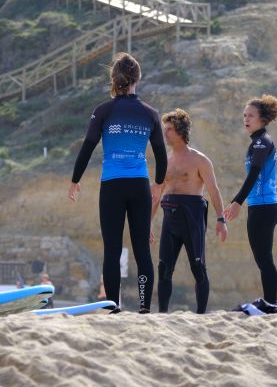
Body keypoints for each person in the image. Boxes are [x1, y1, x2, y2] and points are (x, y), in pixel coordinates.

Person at [68, 52, 167, 313]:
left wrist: (75, 180)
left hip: (112, 186)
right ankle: (145, 307)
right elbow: (161, 155)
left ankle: (112, 307)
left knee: (112, 249)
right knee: (142, 250)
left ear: (114, 78)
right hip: (139, 186)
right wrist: (157, 184)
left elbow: (87, 147)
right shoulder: (150, 113)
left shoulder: (103, 110)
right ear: (138, 78)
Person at [152, 109, 228, 314]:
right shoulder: (164, 161)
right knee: (164, 269)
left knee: (198, 267)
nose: (165, 134)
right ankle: (162, 313)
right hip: (170, 216)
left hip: (192, 215)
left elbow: (214, 190)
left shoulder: (199, 160)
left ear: (180, 131)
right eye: (164, 129)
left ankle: (201, 313)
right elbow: (156, 193)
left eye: (169, 130)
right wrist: (148, 223)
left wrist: (221, 219)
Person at [224, 95, 277, 305]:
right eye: (244, 115)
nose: (246, 119)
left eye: (251, 116)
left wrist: (237, 202)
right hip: (259, 207)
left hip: (265, 208)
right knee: (262, 260)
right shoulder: (256, 142)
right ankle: (270, 303)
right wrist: (235, 201)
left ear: (263, 118)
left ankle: (271, 304)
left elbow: (254, 174)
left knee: (265, 260)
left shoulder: (262, 142)